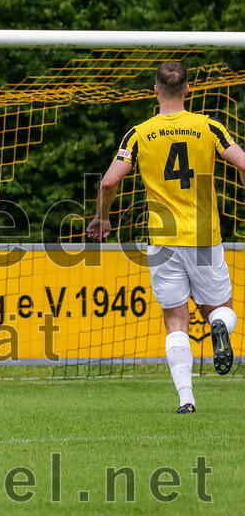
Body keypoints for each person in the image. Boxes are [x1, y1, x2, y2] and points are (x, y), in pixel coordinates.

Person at [87, 61, 244, 414]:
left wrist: (103, 217)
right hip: (204, 236)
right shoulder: (209, 127)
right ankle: (219, 326)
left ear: (155, 90)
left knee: (176, 320)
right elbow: (244, 164)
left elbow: (108, 182)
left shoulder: (139, 133)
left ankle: (186, 398)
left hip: (163, 238)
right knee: (220, 310)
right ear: (188, 89)